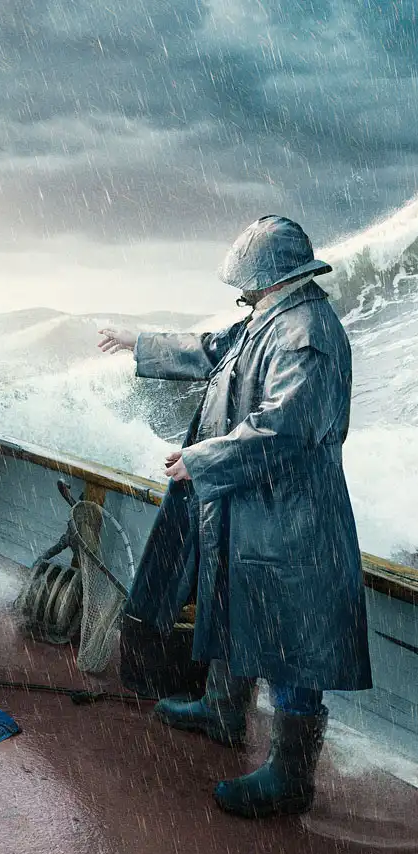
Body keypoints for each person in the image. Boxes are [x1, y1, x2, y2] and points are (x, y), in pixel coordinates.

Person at [98, 215, 371, 818]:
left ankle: (290, 778)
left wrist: (202, 460)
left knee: (293, 639)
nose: (241, 294)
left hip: (294, 518)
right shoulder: (273, 316)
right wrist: (137, 341)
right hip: (251, 502)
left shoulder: (307, 335)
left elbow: (285, 429)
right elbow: (213, 349)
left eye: (246, 284)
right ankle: (222, 711)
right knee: (233, 601)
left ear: (266, 278)